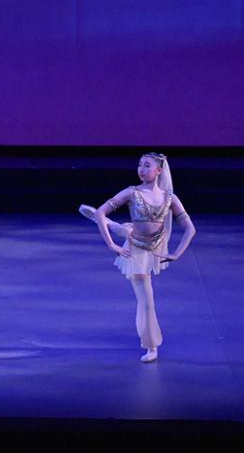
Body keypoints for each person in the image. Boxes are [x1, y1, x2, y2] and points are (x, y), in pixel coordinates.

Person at [79, 152, 195, 362]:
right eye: (140, 164)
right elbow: (101, 212)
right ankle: (151, 346)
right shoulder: (132, 192)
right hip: (135, 251)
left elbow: (190, 228)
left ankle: (118, 228)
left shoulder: (170, 198)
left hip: (155, 246)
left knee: (126, 230)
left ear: (158, 171)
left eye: (147, 165)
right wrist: (111, 245)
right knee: (147, 300)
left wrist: (176, 253)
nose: (141, 169)